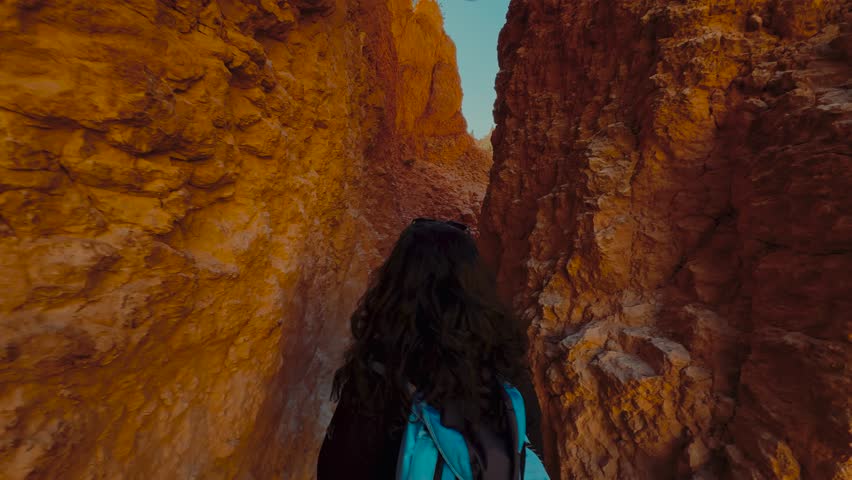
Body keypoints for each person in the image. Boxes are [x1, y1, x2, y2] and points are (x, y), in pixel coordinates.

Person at [317, 217, 543, 480]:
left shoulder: (379, 382)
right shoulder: (507, 380)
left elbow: (336, 470)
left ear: (395, 290)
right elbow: (532, 462)